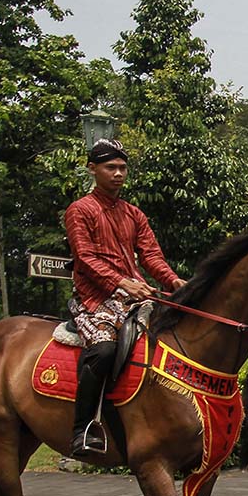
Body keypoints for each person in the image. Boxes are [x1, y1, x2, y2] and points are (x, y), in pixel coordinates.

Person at [64, 138, 186, 457]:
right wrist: (122, 283)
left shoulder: (134, 214)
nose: (118, 173)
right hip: (94, 299)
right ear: (93, 169)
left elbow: (151, 256)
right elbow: (85, 258)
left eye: (122, 168)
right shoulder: (80, 210)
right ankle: (83, 429)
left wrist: (173, 281)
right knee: (104, 350)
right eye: (110, 167)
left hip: (135, 300)